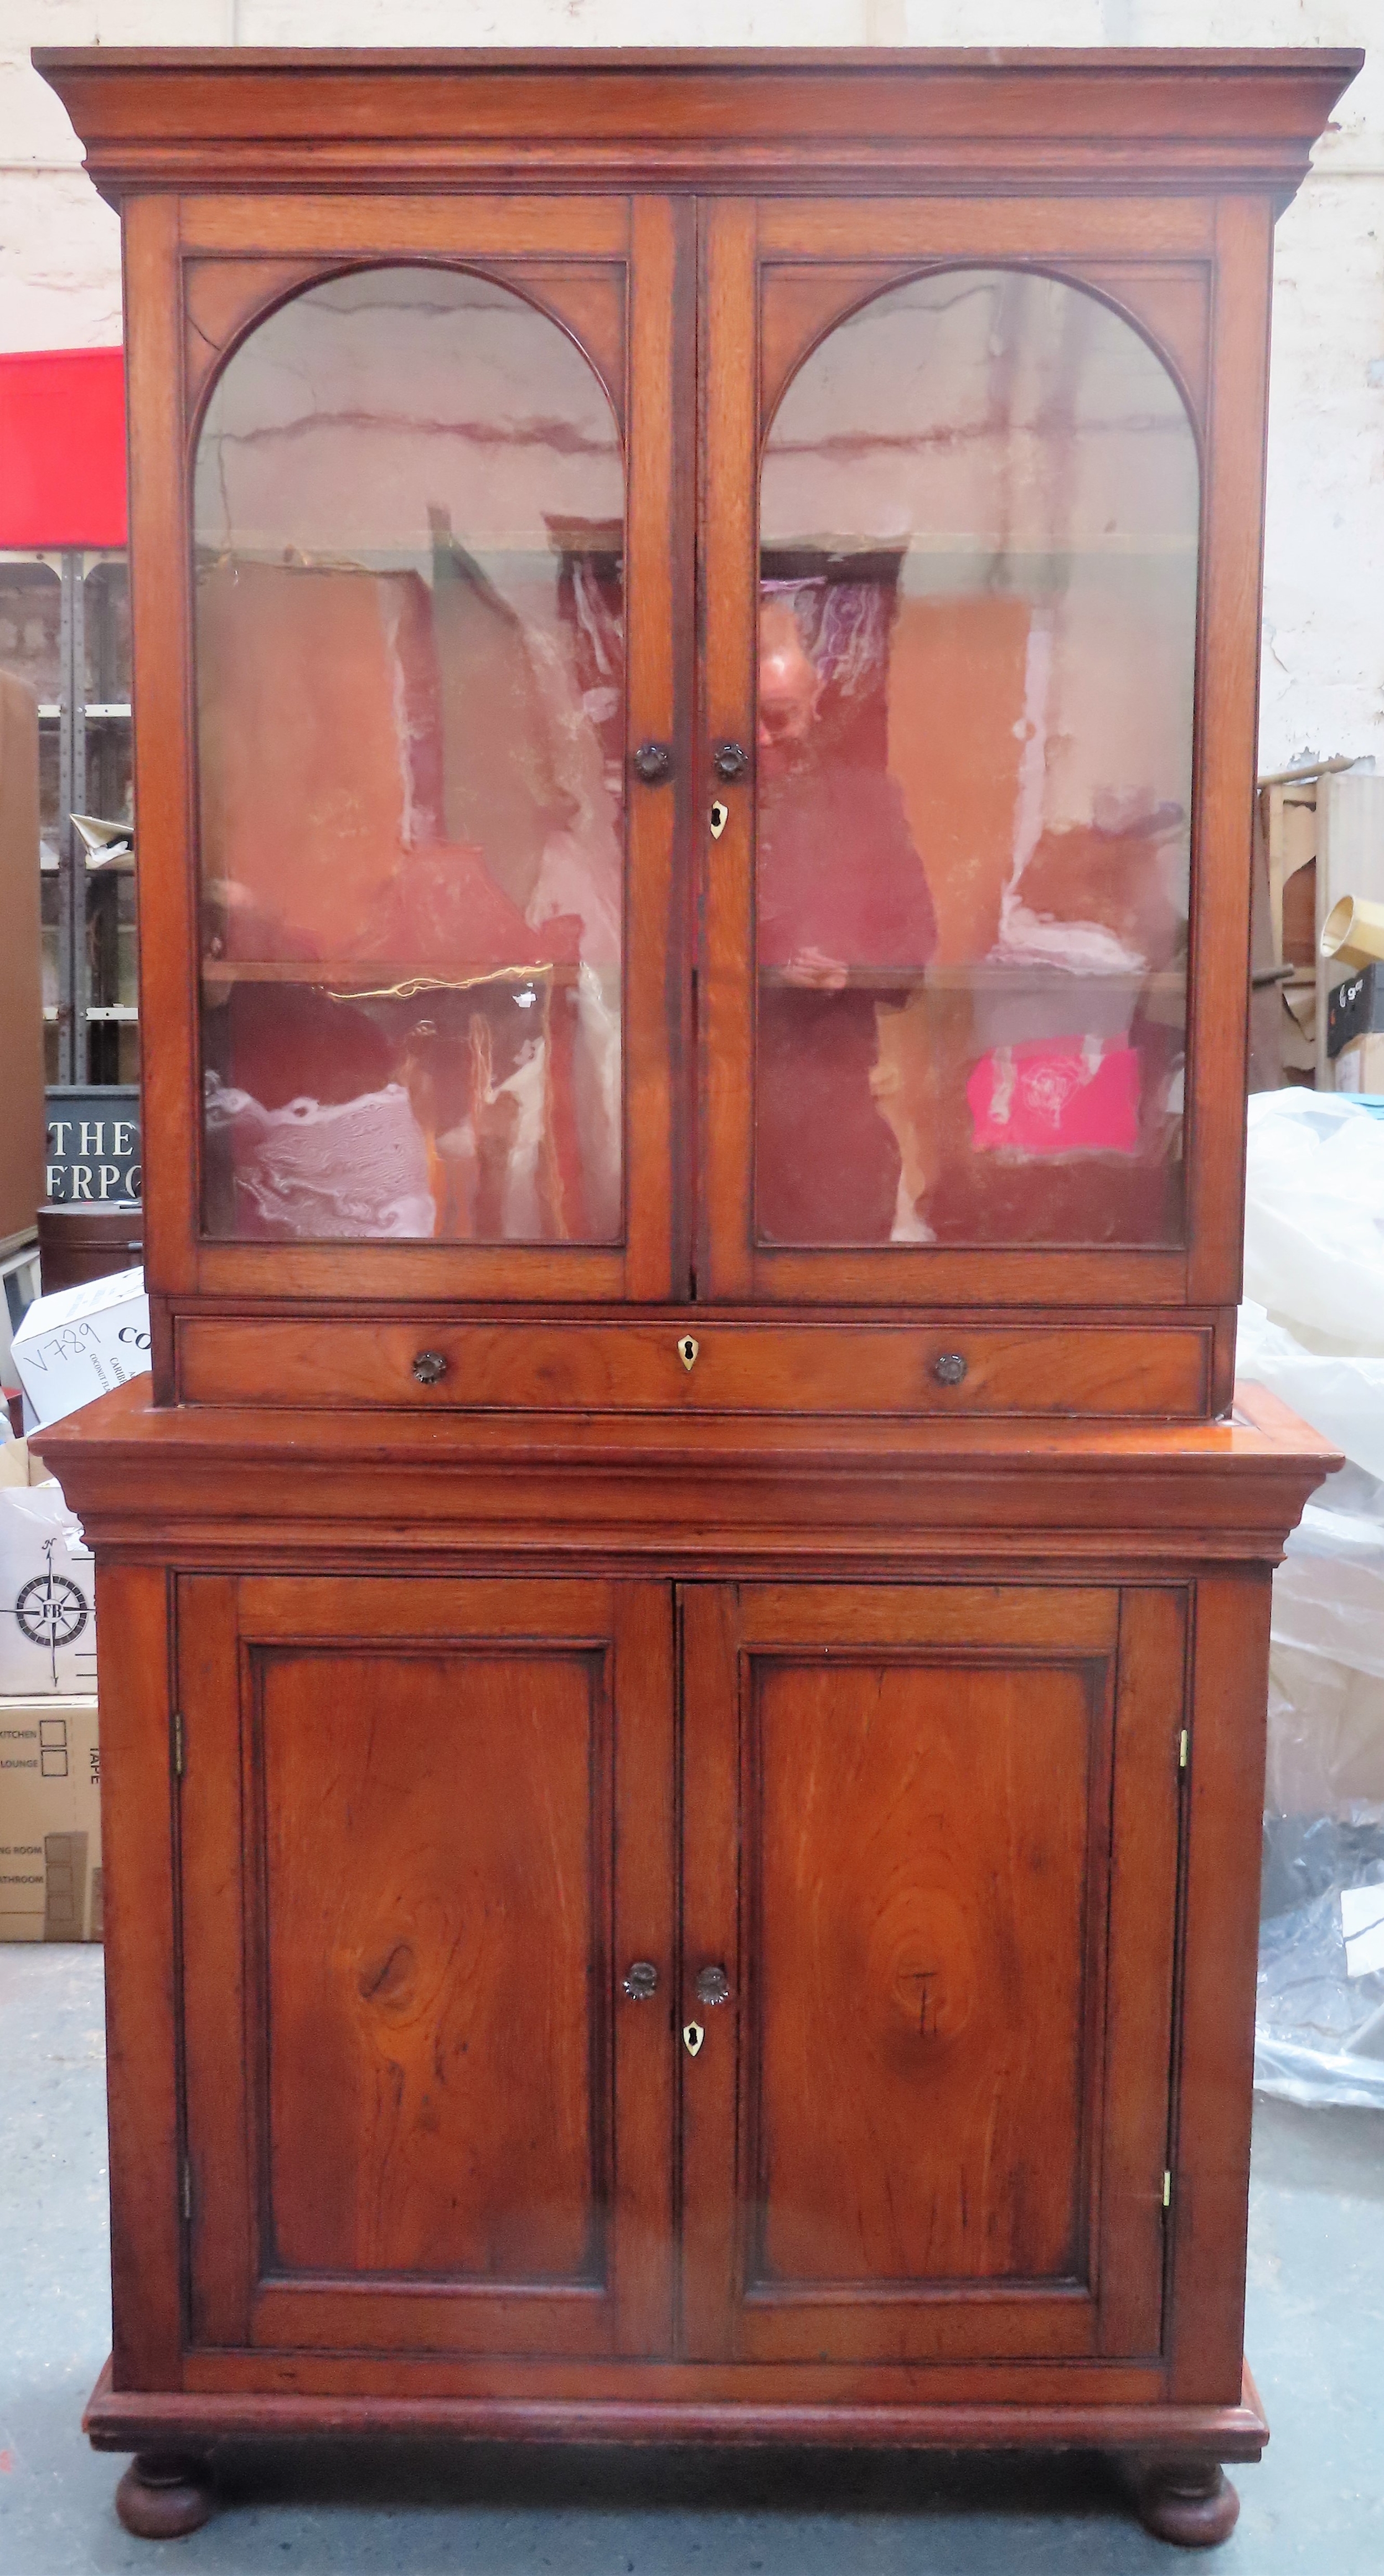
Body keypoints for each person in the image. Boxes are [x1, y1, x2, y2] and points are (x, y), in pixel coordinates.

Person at [755, 593, 937, 1244]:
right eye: (740, 718)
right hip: (700, 1110)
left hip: (828, 1110)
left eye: (779, 717)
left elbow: (915, 956)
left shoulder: (867, 807)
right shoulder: (673, 806)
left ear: (818, 693)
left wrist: (850, 972)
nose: (759, 741)